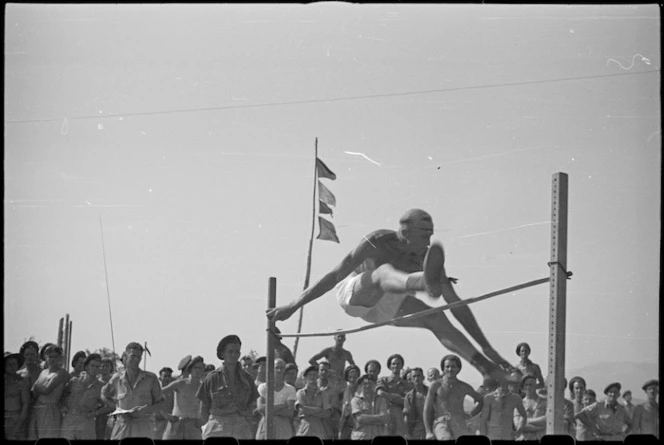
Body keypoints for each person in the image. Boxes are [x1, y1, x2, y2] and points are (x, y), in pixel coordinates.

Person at [266, 209, 514, 383]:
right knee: (381, 272)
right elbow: (334, 275)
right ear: (405, 231)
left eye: (431, 234)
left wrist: (487, 348)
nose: (428, 240)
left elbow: (457, 306)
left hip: (389, 304)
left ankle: (485, 369)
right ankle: (421, 282)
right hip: (356, 293)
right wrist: (292, 306)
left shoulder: (424, 257)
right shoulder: (378, 241)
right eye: (423, 234)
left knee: (436, 318)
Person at [196, 335, 258, 439]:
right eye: (230, 351)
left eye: (237, 351)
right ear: (223, 354)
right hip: (217, 427)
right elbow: (203, 408)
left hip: (241, 428)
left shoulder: (247, 379)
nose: (234, 355)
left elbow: (251, 405)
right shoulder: (212, 378)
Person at [101, 342, 165, 439]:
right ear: (125, 356)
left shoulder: (151, 378)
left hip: (144, 426)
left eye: (139, 357)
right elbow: (103, 394)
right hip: (122, 426)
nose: (136, 359)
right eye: (133, 356)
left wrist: (145, 410)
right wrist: (117, 408)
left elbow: (161, 403)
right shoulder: (116, 379)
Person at [424, 354, 483, 440]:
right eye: (447, 367)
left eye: (453, 367)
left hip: (460, 422)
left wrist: (471, 414)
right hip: (442, 423)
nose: (450, 369)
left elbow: (481, 400)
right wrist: (428, 432)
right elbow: (427, 409)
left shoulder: (464, 386)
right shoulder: (436, 385)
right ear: (443, 369)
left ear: (458, 369)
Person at [60, 354, 110, 440]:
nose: (95, 368)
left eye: (97, 366)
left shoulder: (101, 387)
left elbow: (110, 406)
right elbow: (62, 395)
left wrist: (96, 413)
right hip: (69, 420)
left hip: (86, 421)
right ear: (86, 366)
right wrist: (63, 407)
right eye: (92, 365)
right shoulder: (74, 381)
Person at [27, 344, 68, 439]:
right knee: (34, 437)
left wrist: (39, 387)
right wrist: (39, 387)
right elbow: (33, 390)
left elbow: (46, 390)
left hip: (51, 410)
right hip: (38, 409)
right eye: (50, 357)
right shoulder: (43, 372)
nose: (52, 359)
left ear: (60, 358)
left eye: (55, 357)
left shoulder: (61, 372)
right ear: (45, 357)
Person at [161, 356, 205, 440]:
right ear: (190, 369)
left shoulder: (203, 388)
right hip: (176, 424)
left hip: (193, 426)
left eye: (200, 368)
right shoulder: (180, 384)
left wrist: (203, 420)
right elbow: (157, 394)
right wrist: (165, 414)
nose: (198, 370)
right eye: (195, 368)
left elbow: (210, 405)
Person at [255, 358, 297, 439]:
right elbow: (260, 408)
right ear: (272, 369)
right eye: (276, 367)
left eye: (281, 368)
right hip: (265, 424)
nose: (279, 370)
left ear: (284, 370)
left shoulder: (290, 389)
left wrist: (269, 409)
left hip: (283, 426)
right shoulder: (263, 387)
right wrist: (281, 405)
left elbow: (290, 412)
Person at [375, 353, 412, 436]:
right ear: (389, 366)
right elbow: (380, 393)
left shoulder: (407, 384)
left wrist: (388, 396)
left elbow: (406, 402)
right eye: (393, 364)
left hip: (400, 416)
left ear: (402, 366)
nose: (396, 366)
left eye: (398, 364)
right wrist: (397, 397)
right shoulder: (383, 380)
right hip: (384, 412)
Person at [295, 364, 333, 438]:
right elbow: (302, 409)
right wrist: (319, 410)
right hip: (304, 428)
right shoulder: (300, 392)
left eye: (314, 374)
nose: (312, 377)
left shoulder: (323, 394)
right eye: (310, 375)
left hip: (319, 429)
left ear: (317, 376)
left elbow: (327, 413)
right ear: (305, 377)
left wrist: (308, 409)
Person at [350, 373, 390, 440]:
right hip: (361, 437)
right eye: (364, 384)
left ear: (374, 385)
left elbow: (385, 418)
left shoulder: (381, 400)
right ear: (360, 386)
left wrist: (367, 418)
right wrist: (379, 418)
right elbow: (360, 418)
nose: (367, 386)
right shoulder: (355, 400)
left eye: (370, 383)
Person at [5, 352, 30, 440]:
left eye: (14, 364)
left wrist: (18, 425)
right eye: (9, 364)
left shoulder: (22, 381)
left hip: (16, 417)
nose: (12, 367)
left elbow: (26, 404)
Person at [513, 374, 546, 440]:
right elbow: (517, 425)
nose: (528, 387)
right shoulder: (518, 403)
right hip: (524, 438)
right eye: (526, 385)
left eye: (531, 384)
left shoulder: (545, 401)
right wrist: (540, 427)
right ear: (523, 387)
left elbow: (547, 420)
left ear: (536, 386)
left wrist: (525, 421)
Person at [317, 360, 344, 438]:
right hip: (312, 425)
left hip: (328, 425)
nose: (324, 372)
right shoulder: (312, 387)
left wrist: (316, 409)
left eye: (326, 370)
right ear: (318, 371)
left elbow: (333, 407)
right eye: (322, 370)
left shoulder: (334, 389)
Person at [402, 367, 428, 439]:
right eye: (414, 376)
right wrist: (407, 433)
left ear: (423, 377)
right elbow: (406, 415)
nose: (417, 378)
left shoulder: (432, 392)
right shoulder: (409, 396)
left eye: (418, 376)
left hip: (432, 425)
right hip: (417, 428)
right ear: (411, 380)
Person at [95, 357, 115, 440]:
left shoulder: (113, 381)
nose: (104, 368)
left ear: (111, 368)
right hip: (97, 413)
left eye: (107, 366)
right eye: (102, 366)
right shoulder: (95, 381)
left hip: (111, 413)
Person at [339, 364, 361, 439]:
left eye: (355, 377)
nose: (352, 379)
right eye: (350, 377)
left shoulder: (363, 390)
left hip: (360, 423)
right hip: (347, 424)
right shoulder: (343, 392)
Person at [154, 365, 175, 439]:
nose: (167, 378)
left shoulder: (174, 393)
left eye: (169, 376)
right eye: (165, 376)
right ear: (160, 378)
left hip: (170, 424)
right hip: (157, 424)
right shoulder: (155, 392)